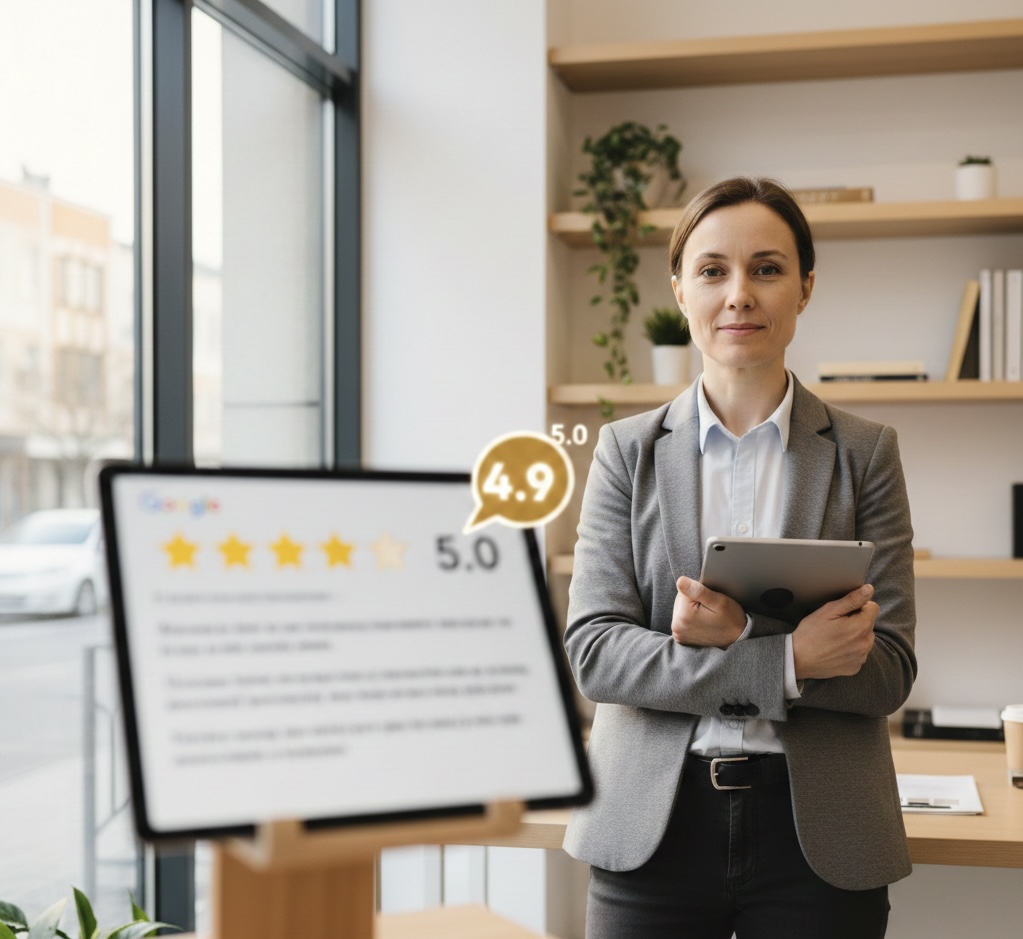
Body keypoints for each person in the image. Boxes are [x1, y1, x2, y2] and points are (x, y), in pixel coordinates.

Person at [562, 176, 916, 939]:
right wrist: (787, 660)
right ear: (679, 289)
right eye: (712, 270)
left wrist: (735, 637)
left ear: (805, 286)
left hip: (821, 833)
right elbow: (595, 653)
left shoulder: (864, 454)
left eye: (766, 268)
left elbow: (887, 669)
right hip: (649, 826)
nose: (738, 295)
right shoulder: (625, 451)